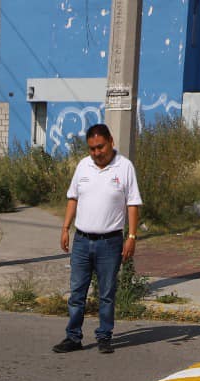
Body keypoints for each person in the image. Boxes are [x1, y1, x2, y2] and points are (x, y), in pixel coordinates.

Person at [55, 123, 142, 355]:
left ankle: (104, 336)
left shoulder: (124, 167)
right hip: (82, 241)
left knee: (106, 293)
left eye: (100, 147)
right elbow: (72, 198)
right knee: (77, 293)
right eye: (92, 148)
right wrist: (65, 228)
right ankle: (73, 337)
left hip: (110, 243)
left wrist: (132, 236)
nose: (96, 153)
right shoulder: (83, 166)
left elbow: (132, 203)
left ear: (111, 141)